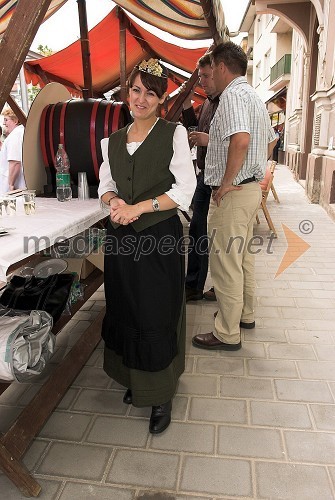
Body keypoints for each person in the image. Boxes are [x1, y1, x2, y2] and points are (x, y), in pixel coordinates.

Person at [98, 58, 196, 434]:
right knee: (126, 308)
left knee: (156, 311)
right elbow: (106, 184)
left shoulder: (173, 134)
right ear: (127, 93)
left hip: (159, 239)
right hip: (122, 240)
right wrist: (115, 203)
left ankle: (160, 392)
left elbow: (185, 189)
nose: (141, 99)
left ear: (161, 98)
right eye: (136, 90)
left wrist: (141, 206)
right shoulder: (111, 141)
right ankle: (136, 381)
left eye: (150, 93)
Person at [192, 42, 277, 351]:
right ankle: (244, 315)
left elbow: (240, 140)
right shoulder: (253, 95)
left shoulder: (230, 97)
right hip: (251, 188)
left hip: (235, 191)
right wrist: (254, 173)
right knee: (243, 259)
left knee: (226, 264)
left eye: (211, 68)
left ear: (222, 68)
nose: (209, 73)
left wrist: (227, 182)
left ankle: (227, 332)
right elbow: (269, 140)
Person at [182, 54, 220, 303]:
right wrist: (185, 106)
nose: (202, 81)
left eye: (206, 76)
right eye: (200, 77)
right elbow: (196, 126)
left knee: (214, 236)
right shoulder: (208, 102)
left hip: (220, 179)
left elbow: (239, 142)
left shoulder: (228, 102)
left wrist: (209, 140)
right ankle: (194, 285)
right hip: (204, 175)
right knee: (198, 231)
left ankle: (219, 286)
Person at [0, 108, 26, 194]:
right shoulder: (22, 132)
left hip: (13, 188)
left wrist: (11, 185)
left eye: (6, 120)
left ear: (15, 121)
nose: (4, 123)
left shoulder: (14, 136)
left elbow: (15, 162)